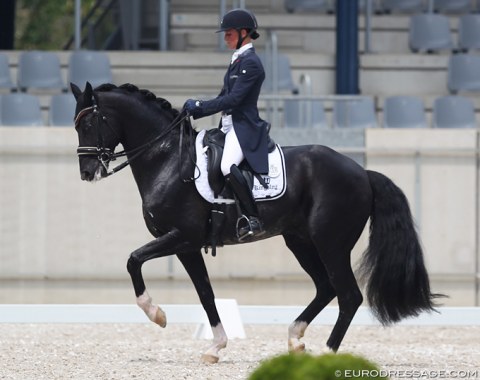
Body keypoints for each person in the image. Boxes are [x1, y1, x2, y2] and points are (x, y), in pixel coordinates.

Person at [184, 8, 268, 240]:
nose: (225, 37)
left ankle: (254, 218)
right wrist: (195, 110)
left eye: (229, 33)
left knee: (226, 165)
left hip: (244, 127)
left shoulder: (251, 63)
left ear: (244, 32)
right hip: (228, 125)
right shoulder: (237, 60)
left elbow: (234, 99)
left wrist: (199, 106)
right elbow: (223, 95)